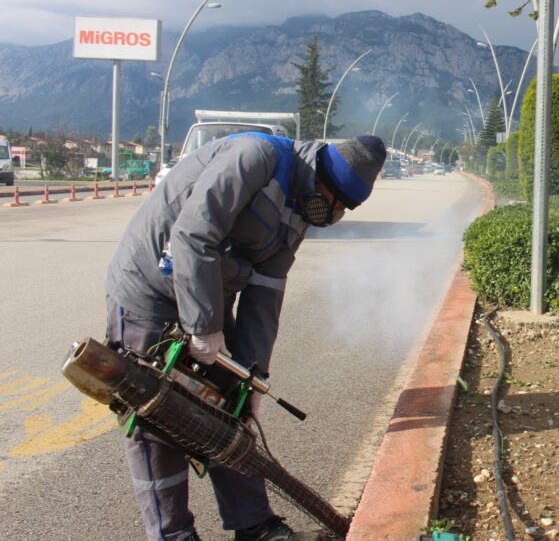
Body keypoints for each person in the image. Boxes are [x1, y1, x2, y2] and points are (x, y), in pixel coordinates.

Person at [104, 133, 386, 541]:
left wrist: (253, 375)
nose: (334, 210)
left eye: (345, 207)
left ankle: (254, 525)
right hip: (150, 290)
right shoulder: (256, 158)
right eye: (335, 198)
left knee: (231, 408)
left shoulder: (303, 207)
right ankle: (172, 534)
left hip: (208, 295)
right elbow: (191, 237)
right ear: (320, 173)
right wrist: (203, 327)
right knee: (157, 415)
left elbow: (266, 289)